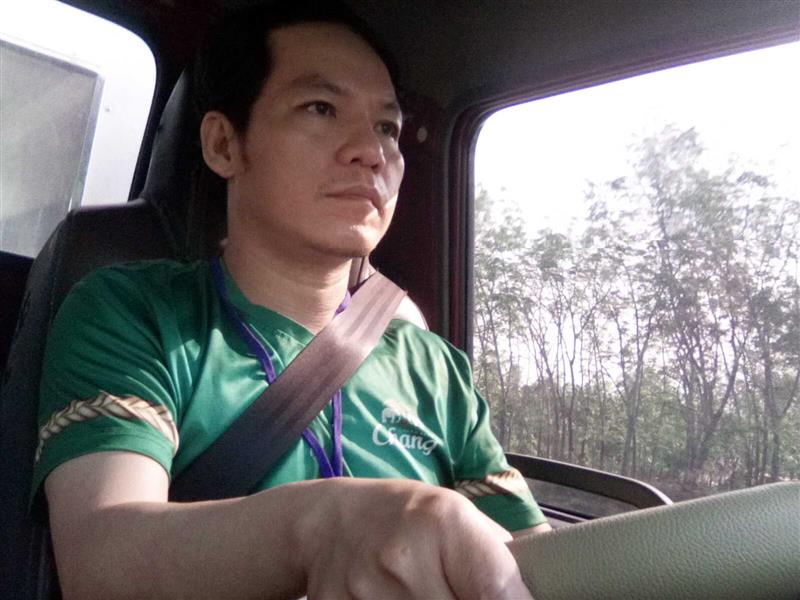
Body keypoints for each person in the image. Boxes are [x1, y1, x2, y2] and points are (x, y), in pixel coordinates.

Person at [34, 2, 550, 598]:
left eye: (387, 128)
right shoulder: (133, 312)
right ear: (224, 144)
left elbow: (539, 563)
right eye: (321, 108)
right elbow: (102, 558)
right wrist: (321, 526)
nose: (372, 151)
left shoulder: (434, 369)